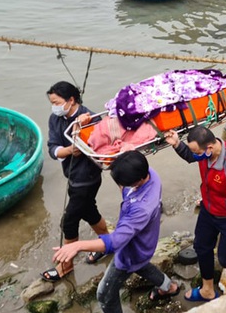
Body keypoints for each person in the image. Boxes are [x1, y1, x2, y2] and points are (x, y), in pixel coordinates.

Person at [52, 151, 180, 312]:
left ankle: (168, 287)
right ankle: (169, 287)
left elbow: (116, 241)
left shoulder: (141, 209)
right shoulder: (150, 174)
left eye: (124, 183)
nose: (122, 186)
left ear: (138, 181)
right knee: (141, 265)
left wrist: (76, 246)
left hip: (130, 252)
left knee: (104, 293)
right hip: (144, 245)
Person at [165, 126, 226, 302]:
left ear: (209, 148)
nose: (195, 155)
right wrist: (177, 144)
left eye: (197, 151)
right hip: (209, 210)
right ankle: (207, 290)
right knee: (201, 246)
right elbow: (191, 156)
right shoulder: (205, 153)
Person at [41, 81, 109, 282]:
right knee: (90, 211)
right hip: (71, 176)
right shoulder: (55, 119)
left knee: (69, 222)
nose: (54, 107)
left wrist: (82, 127)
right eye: (52, 103)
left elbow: (101, 147)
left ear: (71, 100)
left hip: (88, 179)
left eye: (57, 102)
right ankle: (107, 243)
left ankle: (66, 265)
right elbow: (53, 148)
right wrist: (70, 150)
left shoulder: (91, 117)